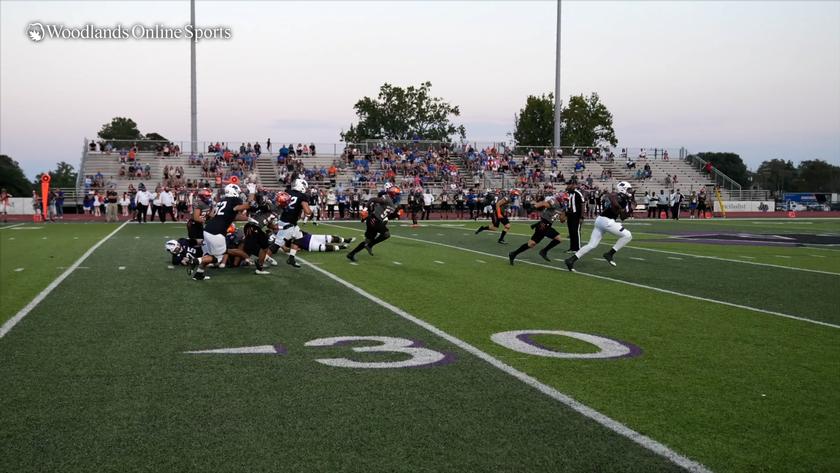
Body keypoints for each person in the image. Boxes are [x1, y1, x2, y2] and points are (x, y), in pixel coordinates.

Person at [565, 181, 634, 271]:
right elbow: (611, 196)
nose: (630, 191)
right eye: (628, 189)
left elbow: (622, 217)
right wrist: (620, 207)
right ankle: (610, 254)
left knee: (592, 245)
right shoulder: (616, 195)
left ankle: (571, 260)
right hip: (606, 221)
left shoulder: (624, 198)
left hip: (601, 220)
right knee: (628, 235)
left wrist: (630, 209)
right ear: (623, 189)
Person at [193, 183, 255, 280]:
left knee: (211, 255)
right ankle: (196, 260)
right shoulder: (234, 200)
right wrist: (252, 193)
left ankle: (198, 274)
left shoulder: (222, 201)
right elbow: (248, 205)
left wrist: (248, 219)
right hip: (217, 232)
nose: (238, 194)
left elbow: (231, 215)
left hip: (208, 230)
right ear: (233, 192)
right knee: (218, 258)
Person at [508, 192, 567, 265]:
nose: (565, 201)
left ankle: (513, 254)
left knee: (531, 244)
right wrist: (533, 207)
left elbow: (562, 220)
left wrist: (566, 214)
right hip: (544, 224)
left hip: (545, 225)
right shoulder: (555, 202)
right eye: (564, 199)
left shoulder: (562, 207)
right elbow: (543, 203)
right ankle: (544, 251)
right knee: (558, 238)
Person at [346, 186, 401, 262]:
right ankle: (370, 245)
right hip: (374, 219)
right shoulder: (387, 198)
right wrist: (365, 209)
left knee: (367, 241)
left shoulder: (393, 204)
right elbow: (372, 200)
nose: (398, 196)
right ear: (393, 194)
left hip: (375, 220)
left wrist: (397, 215)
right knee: (386, 234)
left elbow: (388, 215)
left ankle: (351, 254)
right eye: (397, 194)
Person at [274, 178, 313, 268]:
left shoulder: (288, 191)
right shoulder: (302, 196)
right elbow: (307, 211)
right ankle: (261, 262)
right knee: (276, 244)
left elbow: (279, 203)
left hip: (284, 218)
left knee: (298, 237)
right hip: (289, 222)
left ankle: (291, 258)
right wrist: (310, 213)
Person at [566, 181, 584, 252]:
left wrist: (582, 217)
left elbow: (583, 204)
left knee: (576, 231)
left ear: (573, 185)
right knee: (571, 232)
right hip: (570, 215)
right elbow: (570, 205)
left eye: (569, 185)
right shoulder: (570, 194)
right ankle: (572, 248)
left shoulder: (578, 193)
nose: (567, 186)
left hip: (576, 215)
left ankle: (577, 248)